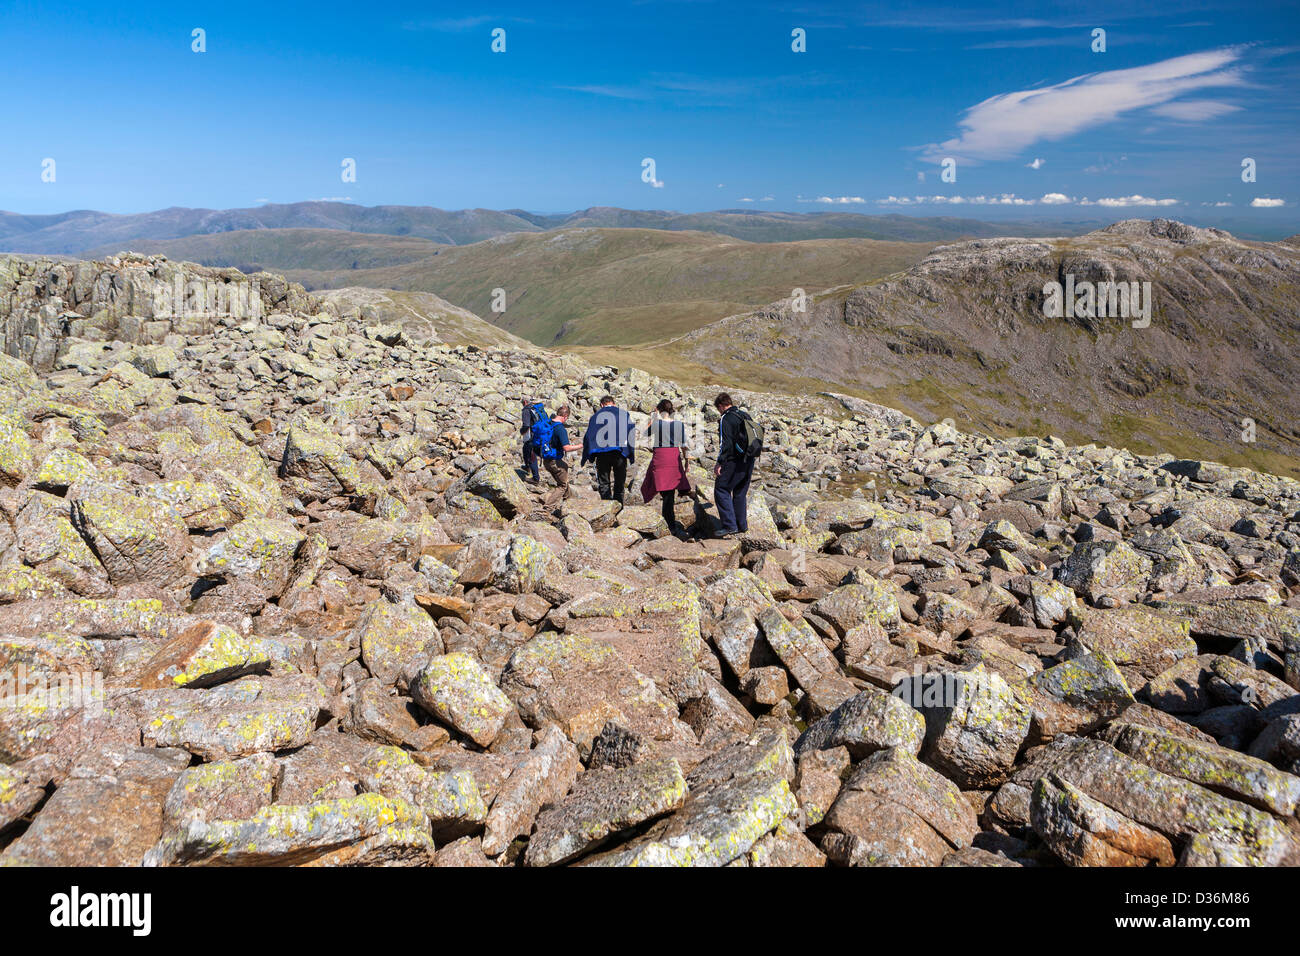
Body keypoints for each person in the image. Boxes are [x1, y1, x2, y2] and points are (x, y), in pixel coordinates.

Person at [639, 399, 691, 535]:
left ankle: (668, 523)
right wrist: (687, 462)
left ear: (659, 410)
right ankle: (670, 523)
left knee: (661, 489)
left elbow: (644, 433)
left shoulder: (656, 424)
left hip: (660, 457)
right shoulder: (679, 425)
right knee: (670, 492)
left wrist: (653, 418)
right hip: (673, 457)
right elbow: (684, 445)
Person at [713, 392, 757, 537]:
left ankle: (729, 525)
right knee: (740, 492)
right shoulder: (745, 415)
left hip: (734, 460)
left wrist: (719, 462)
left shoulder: (726, 418)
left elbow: (725, 443)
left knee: (721, 489)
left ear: (720, 406)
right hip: (749, 459)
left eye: (718, 409)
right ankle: (741, 525)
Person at [582, 394, 636, 503]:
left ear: (602, 405)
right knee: (620, 481)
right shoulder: (624, 414)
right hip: (620, 452)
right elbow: (631, 433)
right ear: (614, 403)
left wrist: (587, 456)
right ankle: (619, 506)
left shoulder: (595, 416)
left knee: (604, 481)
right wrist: (631, 454)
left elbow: (588, 436)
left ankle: (606, 507)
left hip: (602, 453)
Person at [541, 405, 581, 508]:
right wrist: (581, 446)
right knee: (562, 485)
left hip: (546, 459)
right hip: (555, 461)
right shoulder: (560, 429)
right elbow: (566, 448)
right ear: (565, 416)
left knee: (564, 475)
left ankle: (569, 500)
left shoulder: (548, 423)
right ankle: (547, 507)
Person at [520, 399, 543, 484]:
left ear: (525, 402)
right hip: (538, 434)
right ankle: (527, 466)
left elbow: (526, 425)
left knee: (531, 455)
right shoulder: (535, 409)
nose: (522, 404)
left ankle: (535, 478)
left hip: (531, 436)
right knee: (526, 450)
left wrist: (522, 431)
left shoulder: (526, 410)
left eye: (522, 403)